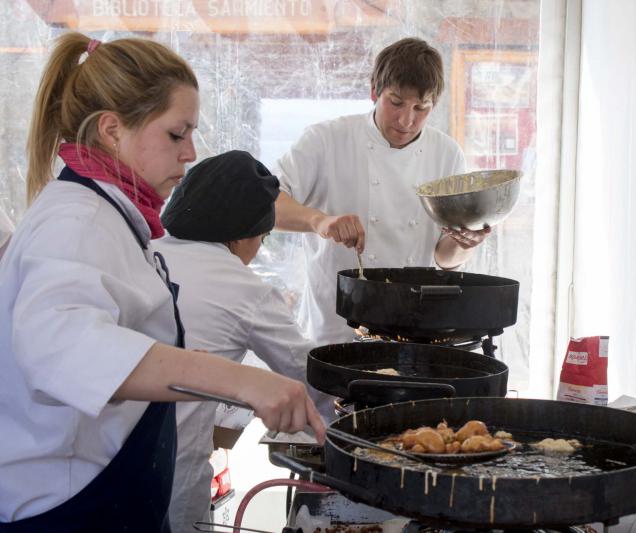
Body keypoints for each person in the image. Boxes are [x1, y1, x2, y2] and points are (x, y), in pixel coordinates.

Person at [0, 33, 324, 532]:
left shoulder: (112, 217)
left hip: (112, 497)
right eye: (177, 134)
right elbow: (60, 346)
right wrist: (242, 380)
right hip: (69, 510)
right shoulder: (77, 222)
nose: (191, 152)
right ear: (112, 130)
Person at [153, 150, 334, 533]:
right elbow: (308, 376)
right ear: (241, 233)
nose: (258, 250)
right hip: (173, 476)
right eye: (263, 238)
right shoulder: (243, 287)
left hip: (108, 470)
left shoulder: (146, 252)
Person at [274, 37, 491, 345]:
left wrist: (464, 244)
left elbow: (443, 256)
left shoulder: (446, 154)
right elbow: (265, 205)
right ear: (374, 91)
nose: (407, 120)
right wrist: (319, 221)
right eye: (396, 102)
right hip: (334, 329)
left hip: (411, 331)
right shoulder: (327, 139)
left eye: (421, 107)